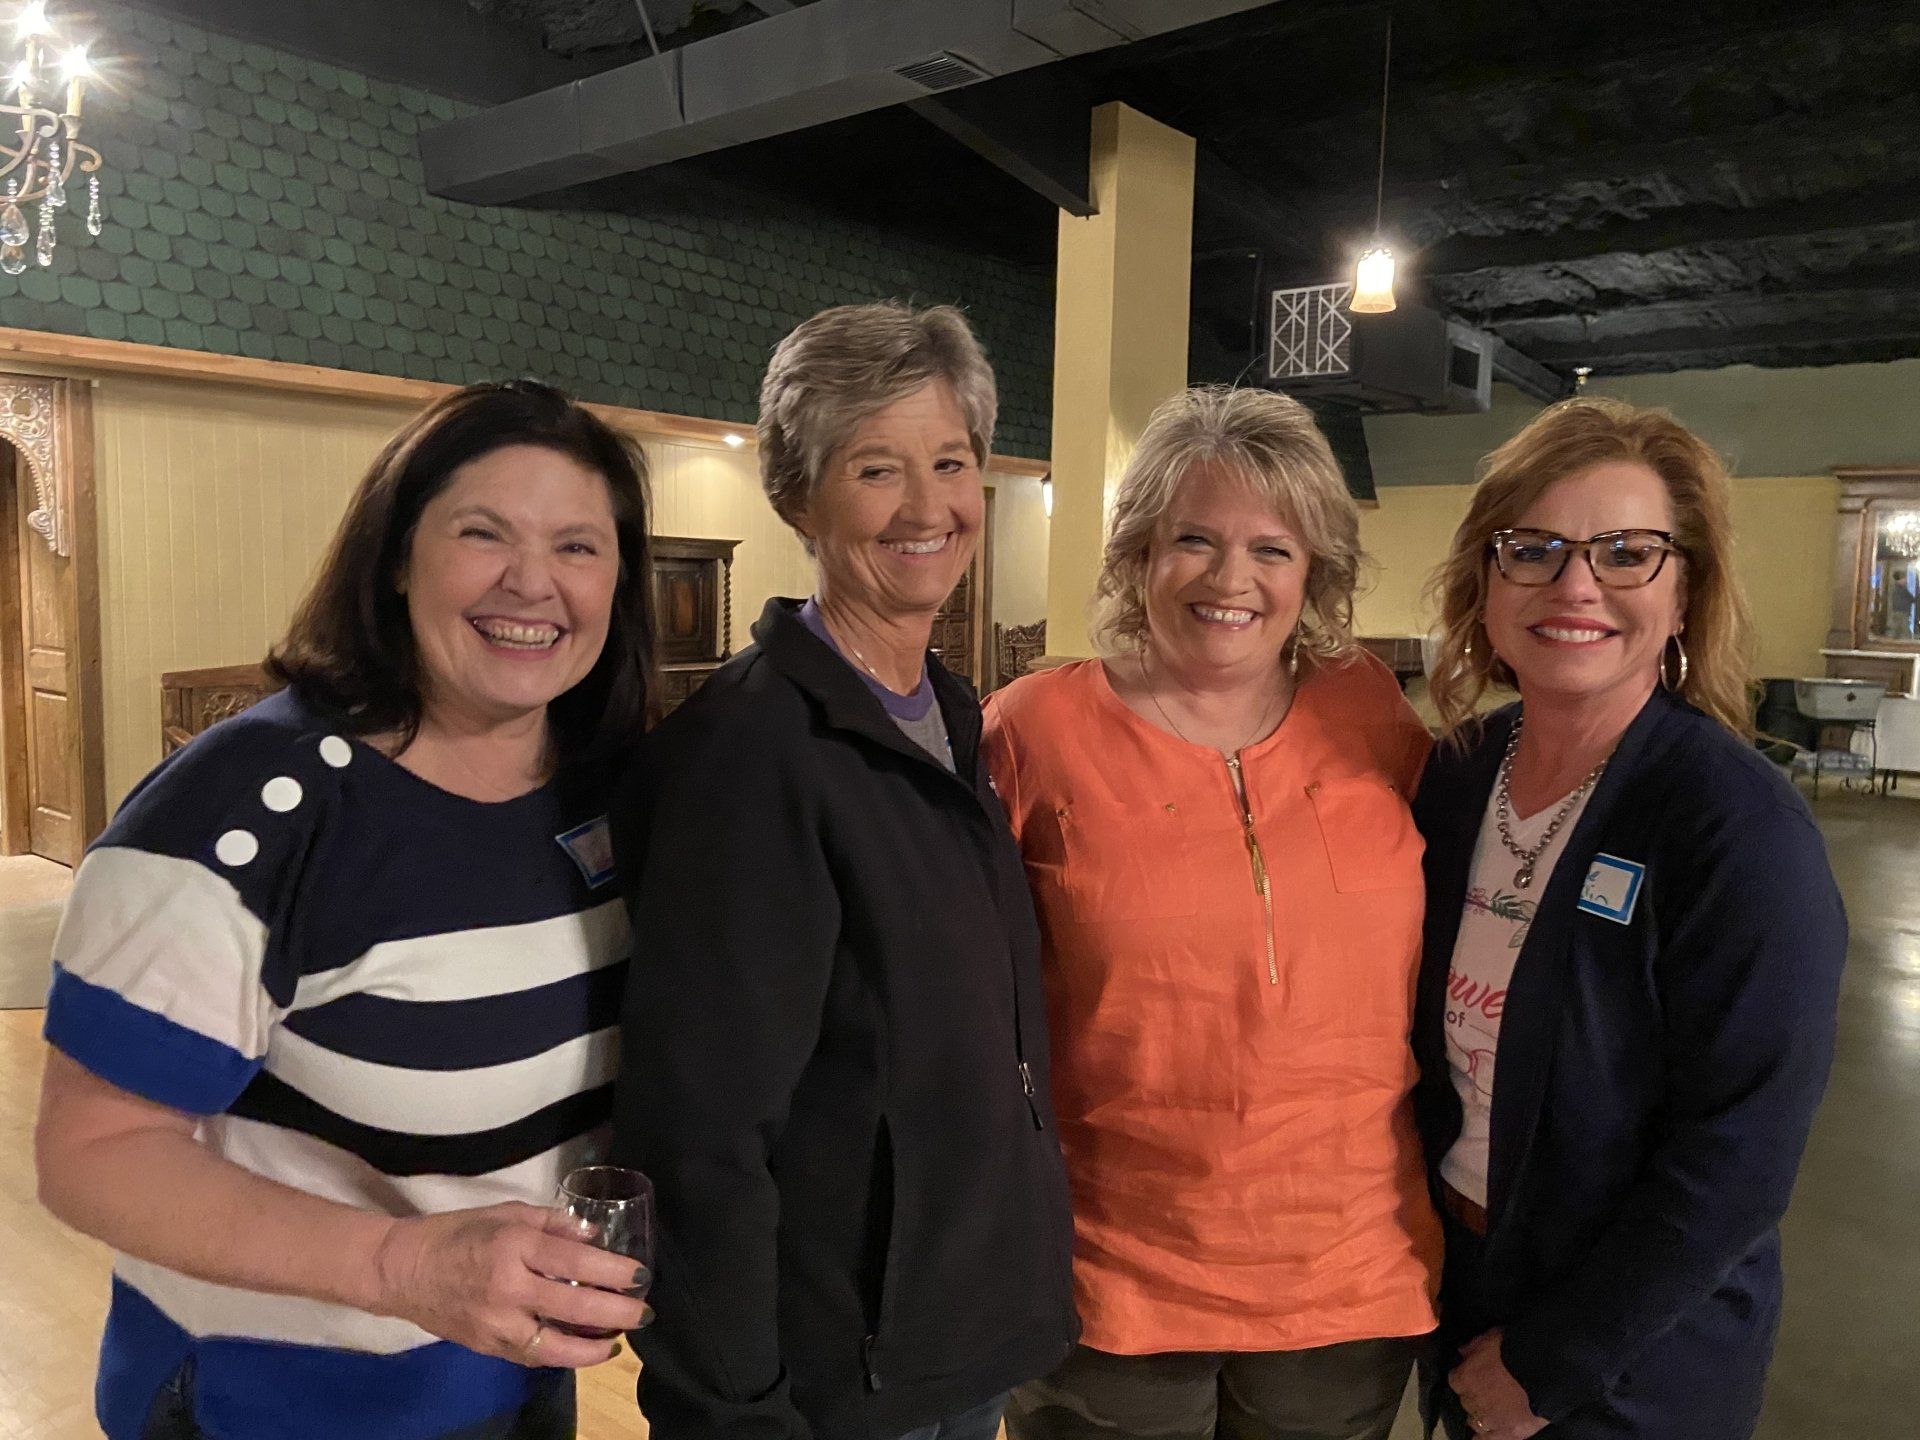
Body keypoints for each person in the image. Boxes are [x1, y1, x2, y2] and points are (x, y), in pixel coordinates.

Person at [34, 380, 658, 1440]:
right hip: (273, 1396)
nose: (533, 581)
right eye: (483, 532)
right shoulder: (255, 803)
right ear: (397, 556)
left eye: (579, 546)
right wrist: (401, 1263)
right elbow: (93, 1152)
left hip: (508, 1382)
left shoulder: (607, 789)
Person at [609, 301, 1076, 1440]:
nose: (929, 509)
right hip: (838, 1374)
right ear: (796, 498)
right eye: (877, 469)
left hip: (956, 1327)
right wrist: (731, 1407)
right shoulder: (748, 755)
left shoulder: (950, 713)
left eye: (952, 463)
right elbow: (699, 1129)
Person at [983, 386, 1441, 1440]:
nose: (1233, 579)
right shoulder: (1033, 732)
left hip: (1348, 1278)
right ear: (1139, 552)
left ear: (1312, 571)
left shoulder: (1367, 709)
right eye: (1195, 538)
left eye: (1273, 549)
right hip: (1106, 1281)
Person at [1411, 398, 1848, 1440]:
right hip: (1461, 1287)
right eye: (1534, 550)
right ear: (1487, 579)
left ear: (1687, 589)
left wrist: (1553, 1360)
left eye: (1626, 552)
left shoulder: (1735, 827)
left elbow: (1739, 1155)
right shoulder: (1457, 776)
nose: (1575, 587)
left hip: (1633, 1362)